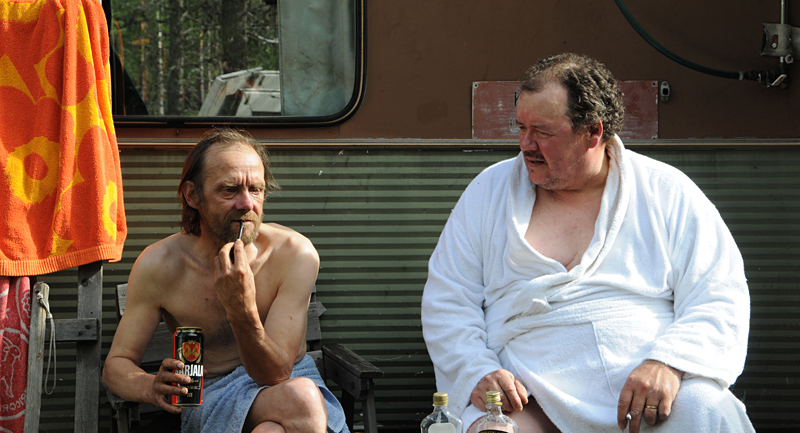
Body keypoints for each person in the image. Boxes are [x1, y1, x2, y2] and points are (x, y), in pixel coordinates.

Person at [421, 53, 755, 433]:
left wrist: (670, 362)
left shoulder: (666, 191)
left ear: (593, 132)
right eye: (520, 127)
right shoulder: (488, 193)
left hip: (647, 390)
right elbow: (448, 300)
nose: (526, 144)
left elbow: (719, 294)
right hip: (530, 395)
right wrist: (477, 370)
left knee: (709, 408)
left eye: (543, 132)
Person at [103, 128, 349, 433]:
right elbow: (117, 364)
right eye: (230, 190)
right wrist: (149, 386)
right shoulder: (159, 265)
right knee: (300, 401)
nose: (247, 204)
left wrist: (240, 309)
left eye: (256, 190)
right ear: (193, 195)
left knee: (275, 424)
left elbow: (275, 375)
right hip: (214, 394)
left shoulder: (294, 253)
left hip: (292, 380)